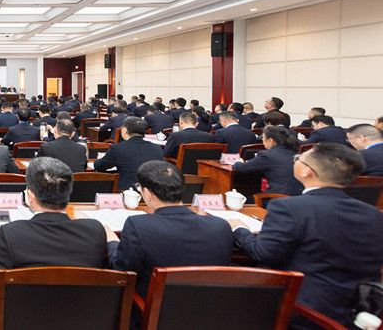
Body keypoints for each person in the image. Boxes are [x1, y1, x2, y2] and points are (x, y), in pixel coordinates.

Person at [229, 143, 383, 329]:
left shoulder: (289, 207)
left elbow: (264, 253)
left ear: (307, 171)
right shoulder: (373, 214)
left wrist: (239, 229)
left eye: (298, 159)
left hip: (302, 311)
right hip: (358, 312)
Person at [0, 157, 112, 300]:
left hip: (23, 313)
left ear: (30, 196)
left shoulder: (11, 234)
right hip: (81, 311)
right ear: (68, 193)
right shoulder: (95, 231)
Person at [108, 161, 233, 298]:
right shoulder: (221, 227)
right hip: (210, 306)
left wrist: (112, 242)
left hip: (152, 307)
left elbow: (122, 272)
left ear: (148, 193)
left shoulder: (138, 225)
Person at [94, 117, 163, 190]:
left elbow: (98, 166)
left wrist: (101, 159)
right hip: (152, 191)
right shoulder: (157, 148)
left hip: (128, 191)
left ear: (125, 130)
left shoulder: (118, 148)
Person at [232, 126, 304, 196]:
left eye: (263, 138)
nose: (262, 140)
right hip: (299, 195)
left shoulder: (267, 155)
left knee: (245, 196)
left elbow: (241, 168)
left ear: (270, 141)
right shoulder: (295, 152)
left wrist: (238, 162)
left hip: (278, 197)